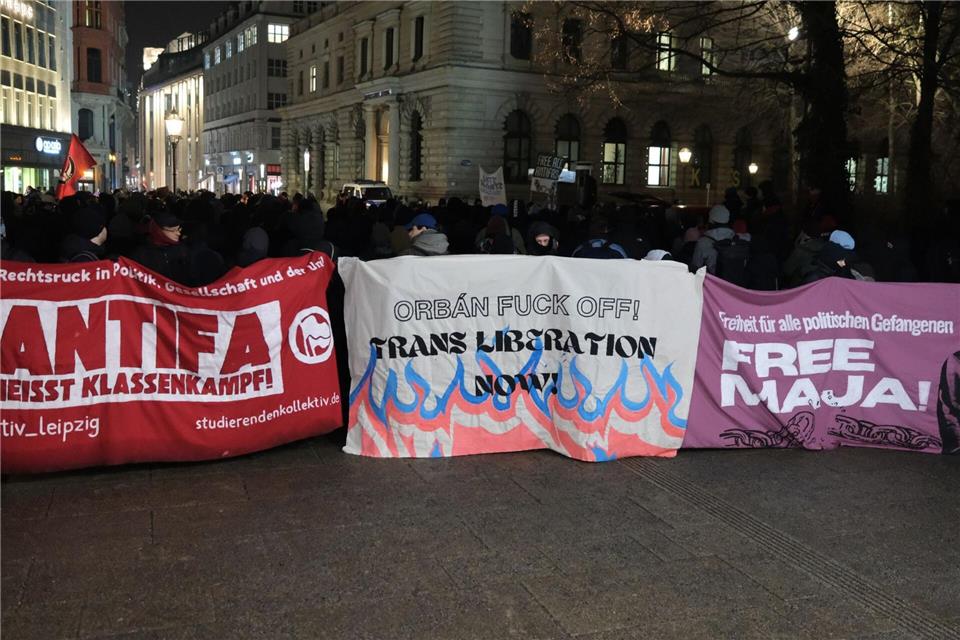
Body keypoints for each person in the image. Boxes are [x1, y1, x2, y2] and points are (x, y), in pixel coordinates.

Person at [132, 209, 190, 282]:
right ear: (159, 231)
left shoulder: (182, 250)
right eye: (173, 230)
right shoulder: (141, 254)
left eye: (179, 229)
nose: (178, 233)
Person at [690, 205, 736, 275]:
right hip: (732, 283)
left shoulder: (703, 242)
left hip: (712, 283)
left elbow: (695, 267)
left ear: (711, 221)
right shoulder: (735, 238)